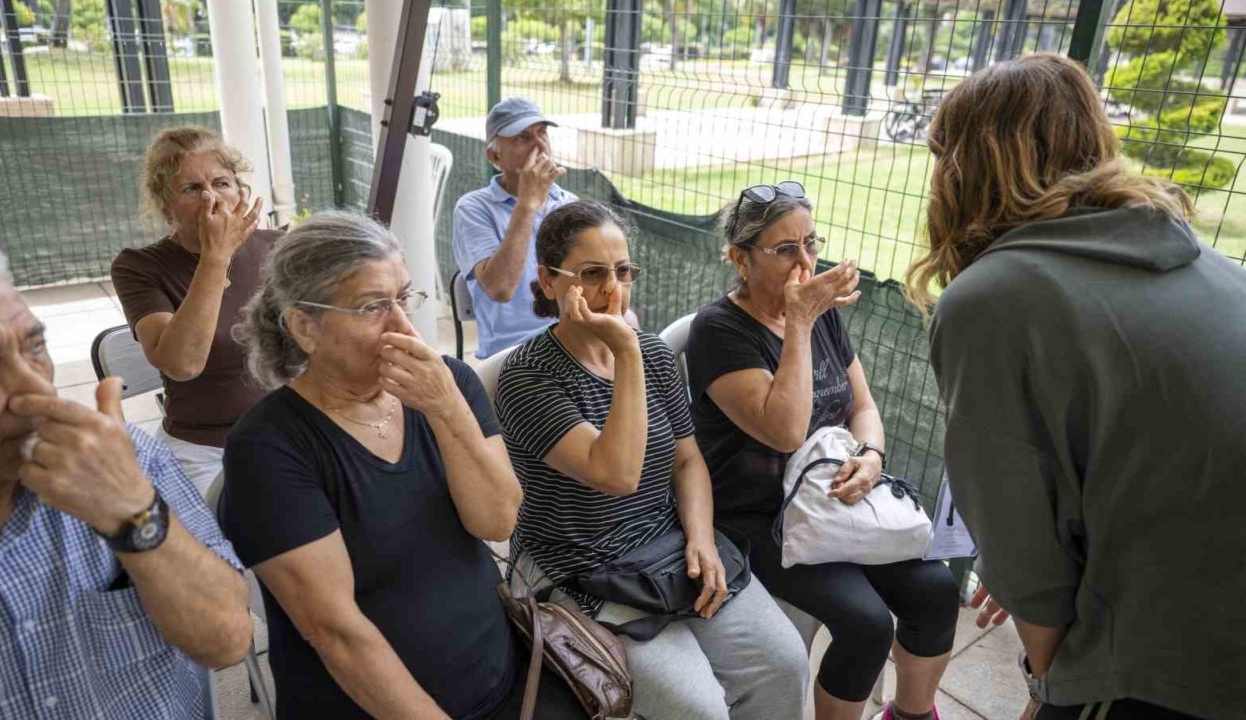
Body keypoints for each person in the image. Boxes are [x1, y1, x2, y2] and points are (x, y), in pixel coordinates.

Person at [911, 53, 1246, 720]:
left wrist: (1049, 686)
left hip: (1177, 658)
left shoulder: (991, 300)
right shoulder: (1210, 264)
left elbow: (1028, 568)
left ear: (966, 167)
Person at [218, 211, 584, 720]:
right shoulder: (269, 447)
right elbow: (334, 630)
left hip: (503, 679)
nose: (405, 327)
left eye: (404, 298)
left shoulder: (447, 382)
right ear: (305, 326)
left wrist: (446, 407)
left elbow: (497, 521)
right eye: (373, 307)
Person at [496, 200, 810, 720]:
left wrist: (704, 539)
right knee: (700, 709)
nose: (612, 289)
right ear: (549, 282)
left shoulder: (650, 351)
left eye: (622, 271)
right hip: (579, 566)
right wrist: (625, 354)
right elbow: (616, 474)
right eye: (592, 274)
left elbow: (687, 461)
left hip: (664, 546)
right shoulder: (530, 376)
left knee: (785, 663)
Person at [685, 182, 959, 720]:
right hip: (760, 517)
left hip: (833, 497)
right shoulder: (718, 330)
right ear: (739, 259)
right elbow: (785, 432)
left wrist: (873, 457)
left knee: (936, 588)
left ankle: (909, 715)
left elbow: (864, 407)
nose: (806, 261)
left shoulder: (820, 312)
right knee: (867, 623)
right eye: (785, 249)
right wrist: (802, 322)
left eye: (811, 243)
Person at [0, 241, 252, 719]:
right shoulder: (144, 264)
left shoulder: (122, 457)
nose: (35, 387)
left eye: (36, 348)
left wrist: (132, 511)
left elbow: (227, 639)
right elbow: (182, 361)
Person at [111, 125, 280, 496]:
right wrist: (216, 258)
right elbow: (182, 364)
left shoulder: (279, 249)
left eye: (221, 183)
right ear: (164, 206)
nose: (211, 199)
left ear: (241, 192)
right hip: (204, 452)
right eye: (192, 189)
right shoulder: (139, 267)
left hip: (288, 436)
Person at [452, 97, 577, 359]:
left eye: (542, 133)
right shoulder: (474, 208)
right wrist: (527, 204)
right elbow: (500, 288)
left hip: (573, 342)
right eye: (523, 137)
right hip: (513, 356)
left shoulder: (568, 204)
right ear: (494, 155)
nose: (540, 145)